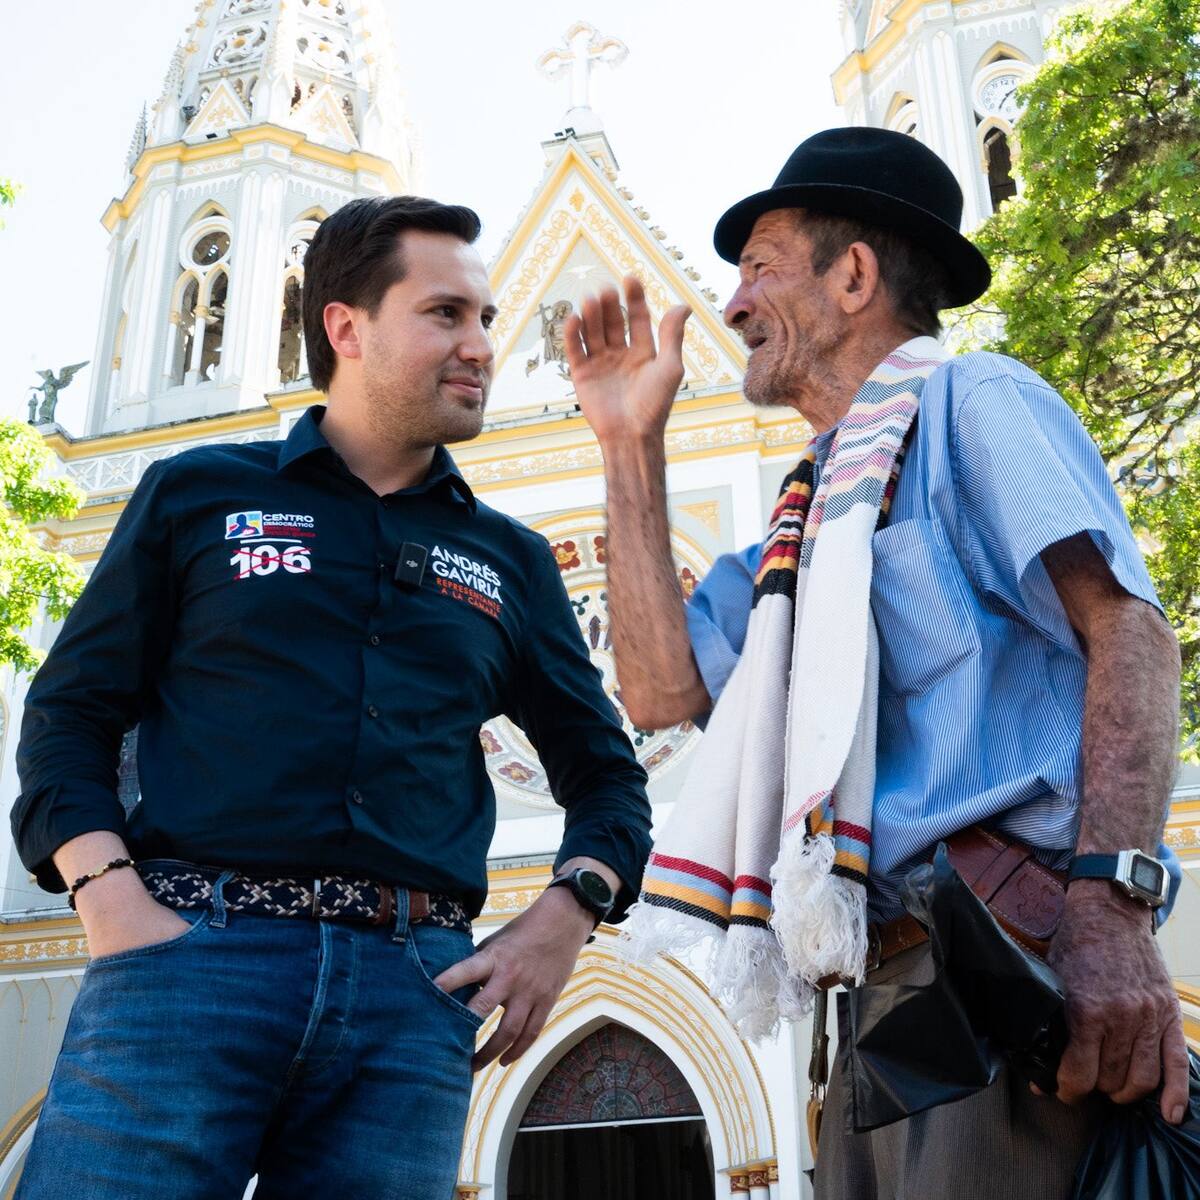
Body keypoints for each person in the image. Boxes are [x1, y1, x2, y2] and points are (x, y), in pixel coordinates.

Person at [567, 127, 1187, 1197]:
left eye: (760, 268)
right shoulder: (803, 522)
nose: (732, 305)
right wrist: (628, 445)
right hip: (874, 985)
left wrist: (1110, 909)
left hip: (1008, 965)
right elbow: (663, 693)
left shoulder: (974, 405)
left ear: (854, 276)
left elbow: (1130, 633)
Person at [11, 195, 652, 1199]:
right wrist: (108, 899)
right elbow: (68, 713)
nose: (481, 343)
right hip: (184, 963)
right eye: (446, 314)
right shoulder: (197, 495)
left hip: (413, 996)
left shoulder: (513, 562)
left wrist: (565, 917)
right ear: (346, 328)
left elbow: (609, 777)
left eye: (484, 318)